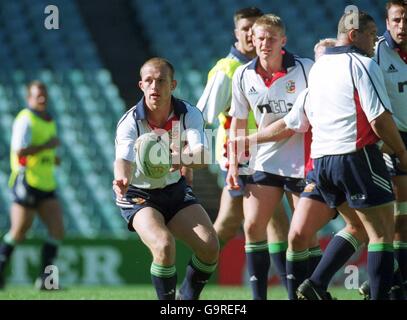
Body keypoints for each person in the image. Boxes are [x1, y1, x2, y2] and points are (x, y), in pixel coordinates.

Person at [293, 10, 407, 300]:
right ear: (354, 35)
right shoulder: (363, 63)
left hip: (322, 162)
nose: (374, 42)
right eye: (370, 35)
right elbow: (379, 119)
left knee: (357, 226)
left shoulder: (319, 67)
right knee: (382, 231)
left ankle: (316, 284)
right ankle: (381, 291)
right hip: (355, 156)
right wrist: (401, 151)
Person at [197, 7, 290, 289]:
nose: (251, 35)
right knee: (236, 225)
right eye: (245, 29)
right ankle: (190, 285)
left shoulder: (265, 67)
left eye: (255, 29)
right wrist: (186, 156)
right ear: (236, 33)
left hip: (268, 157)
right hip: (243, 160)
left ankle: (189, 286)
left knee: (271, 224)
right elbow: (201, 115)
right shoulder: (227, 70)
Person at [113, 57, 219, 300]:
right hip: (138, 194)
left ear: (173, 85)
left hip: (174, 188)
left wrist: (172, 160)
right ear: (141, 85)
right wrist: (121, 179)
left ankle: (186, 301)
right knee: (163, 245)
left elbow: (203, 155)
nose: (155, 86)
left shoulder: (189, 114)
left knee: (210, 247)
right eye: (149, 81)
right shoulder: (129, 122)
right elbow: (123, 160)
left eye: (161, 81)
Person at [227, 14, 314, 300]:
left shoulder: (305, 69)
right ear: (252, 40)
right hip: (264, 160)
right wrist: (235, 165)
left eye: (271, 39)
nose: (265, 44)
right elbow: (238, 123)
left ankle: (304, 294)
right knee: (252, 226)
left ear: (283, 41)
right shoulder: (242, 74)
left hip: (302, 161)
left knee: (301, 236)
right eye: (260, 38)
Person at [359, 0, 407, 300]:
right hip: (390, 141)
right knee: (399, 215)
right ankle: (391, 283)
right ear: (387, 22)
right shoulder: (375, 53)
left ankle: (389, 279)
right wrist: (387, 145)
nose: (403, 26)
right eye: (398, 20)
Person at [0, 81, 64, 290]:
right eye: (38, 96)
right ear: (29, 98)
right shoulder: (25, 119)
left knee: (57, 230)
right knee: (19, 232)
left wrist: (52, 157)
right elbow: (20, 151)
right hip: (27, 182)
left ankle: (47, 281)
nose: (42, 99)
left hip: (46, 183)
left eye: (44, 95)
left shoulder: (49, 120)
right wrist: (47, 146)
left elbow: (44, 151)